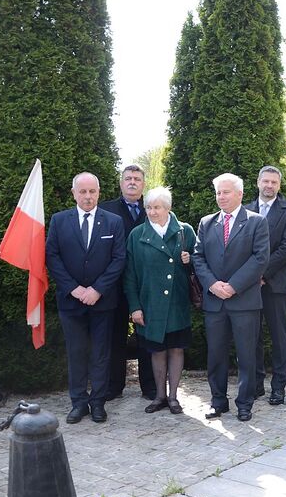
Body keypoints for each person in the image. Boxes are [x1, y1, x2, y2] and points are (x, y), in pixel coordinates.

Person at [46, 172, 126, 424]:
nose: (88, 196)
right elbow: (52, 257)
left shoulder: (113, 222)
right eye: (83, 192)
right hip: (71, 302)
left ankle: (98, 403)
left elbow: (119, 259)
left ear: (99, 193)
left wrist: (97, 289)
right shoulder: (59, 221)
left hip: (102, 302)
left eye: (92, 192)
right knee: (76, 353)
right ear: (74, 193)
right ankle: (78, 403)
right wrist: (74, 289)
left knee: (101, 353)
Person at [193, 173, 269, 422]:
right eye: (218, 193)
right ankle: (218, 402)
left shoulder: (256, 222)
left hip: (244, 301)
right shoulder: (207, 223)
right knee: (215, 355)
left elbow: (260, 258)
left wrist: (233, 286)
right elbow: (198, 257)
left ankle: (245, 403)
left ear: (239, 194)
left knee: (246, 356)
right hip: (215, 302)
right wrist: (213, 284)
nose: (221, 197)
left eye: (226, 192)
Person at [123, 187, 196, 415]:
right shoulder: (137, 235)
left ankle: (174, 397)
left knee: (175, 349)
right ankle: (159, 396)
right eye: (149, 207)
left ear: (168, 208)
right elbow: (129, 274)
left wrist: (189, 260)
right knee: (157, 351)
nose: (152, 212)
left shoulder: (185, 231)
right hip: (150, 305)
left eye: (157, 207)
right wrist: (135, 307)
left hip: (177, 304)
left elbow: (202, 265)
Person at [244, 166, 286, 405]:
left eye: (274, 182)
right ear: (258, 182)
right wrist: (250, 276)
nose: (269, 186)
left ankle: (278, 387)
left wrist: (262, 273)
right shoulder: (244, 210)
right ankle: (256, 385)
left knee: (278, 337)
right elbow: (240, 248)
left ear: (279, 185)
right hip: (249, 285)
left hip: (275, 284)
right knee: (252, 336)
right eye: (265, 181)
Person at [101, 164, 156, 402]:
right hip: (114, 284)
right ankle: (114, 386)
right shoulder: (106, 210)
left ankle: (150, 386)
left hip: (146, 285)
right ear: (121, 183)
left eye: (137, 179)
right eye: (128, 179)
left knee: (147, 336)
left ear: (143, 184)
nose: (132, 182)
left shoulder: (154, 209)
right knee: (115, 336)